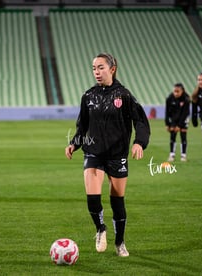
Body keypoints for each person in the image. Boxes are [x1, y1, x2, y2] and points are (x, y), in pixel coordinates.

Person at [65, 53, 150, 257]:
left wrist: (139, 142)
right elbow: (82, 126)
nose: (96, 72)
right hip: (93, 152)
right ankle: (100, 228)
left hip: (117, 154)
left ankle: (119, 242)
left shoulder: (125, 95)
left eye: (101, 67)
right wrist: (74, 144)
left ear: (112, 69)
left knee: (117, 200)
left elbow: (140, 122)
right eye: (94, 68)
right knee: (92, 198)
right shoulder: (88, 96)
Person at [165, 83, 190, 162]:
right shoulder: (169, 98)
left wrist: (179, 126)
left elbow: (185, 113)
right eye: (174, 91)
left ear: (182, 91)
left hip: (184, 119)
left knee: (183, 135)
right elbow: (167, 112)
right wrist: (167, 124)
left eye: (177, 91)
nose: (175, 93)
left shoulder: (186, 99)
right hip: (173, 119)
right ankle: (172, 155)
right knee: (172, 135)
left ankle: (183, 155)